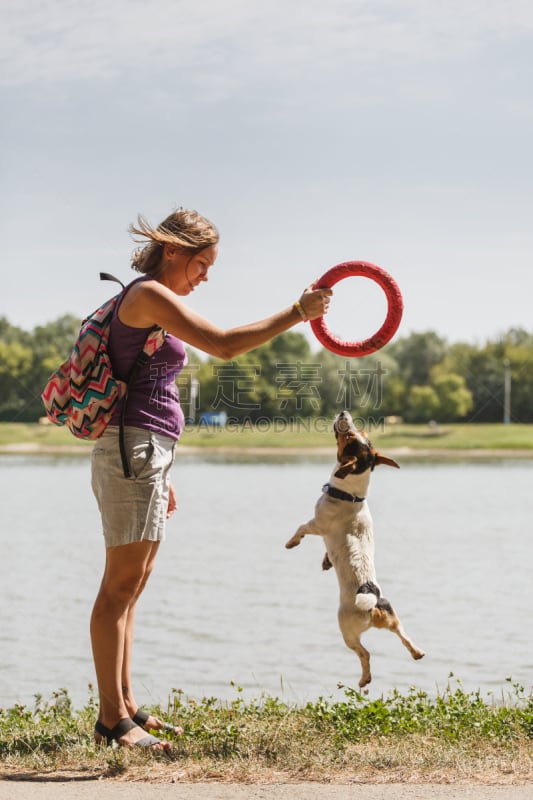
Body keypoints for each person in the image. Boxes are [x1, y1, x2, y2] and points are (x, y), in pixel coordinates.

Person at [90, 208, 332, 749]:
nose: (205, 276)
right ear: (172, 251)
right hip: (131, 450)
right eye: (202, 264)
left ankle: (126, 706)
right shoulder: (149, 294)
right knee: (118, 587)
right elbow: (222, 344)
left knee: (134, 586)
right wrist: (298, 312)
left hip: (146, 453)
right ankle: (111, 721)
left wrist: (162, 469)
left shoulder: (154, 298)